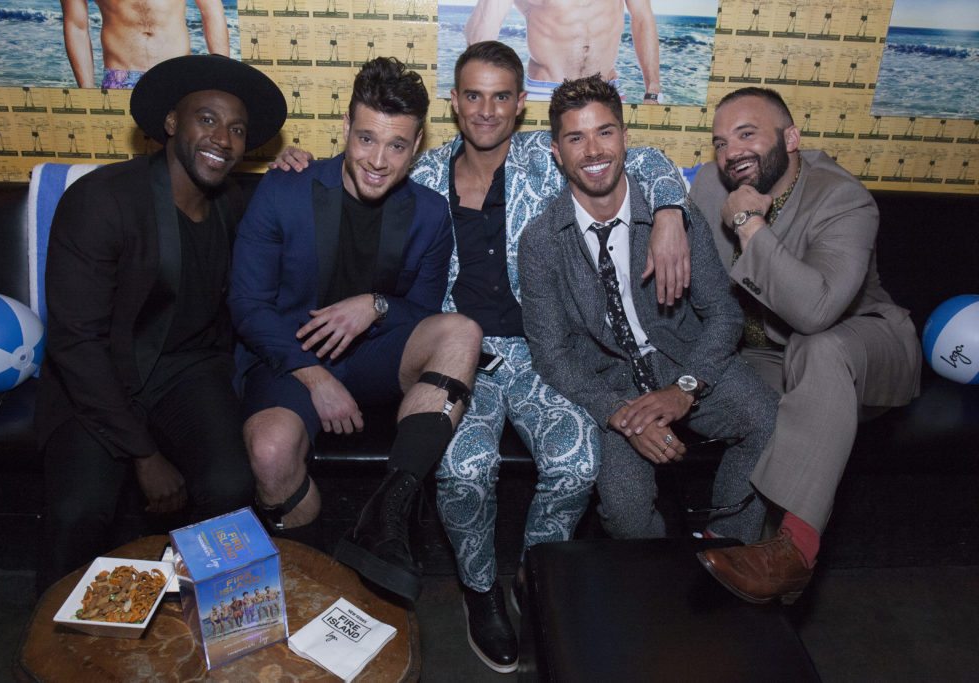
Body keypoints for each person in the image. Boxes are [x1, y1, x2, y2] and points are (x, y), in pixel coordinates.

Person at [272, 41, 689, 673]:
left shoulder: (549, 161)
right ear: (455, 103)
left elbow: (647, 160)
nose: (486, 110)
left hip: (544, 353)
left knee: (578, 459)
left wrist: (669, 214)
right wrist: (293, 165)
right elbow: (355, 173)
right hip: (456, 355)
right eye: (473, 95)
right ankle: (480, 590)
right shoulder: (422, 168)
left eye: (501, 96)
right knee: (462, 472)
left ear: (521, 105)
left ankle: (535, 576)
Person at [229, 56, 482, 604]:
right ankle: (313, 580)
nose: (377, 159)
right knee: (271, 453)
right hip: (290, 356)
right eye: (366, 138)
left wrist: (375, 306)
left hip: (377, 356)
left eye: (396, 146)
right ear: (344, 129)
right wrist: (315, 377)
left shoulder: (430, 213)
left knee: (462, 331)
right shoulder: (285, 190)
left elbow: (422, 310)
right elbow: (248, 305)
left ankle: (384, 516)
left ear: (415, 147)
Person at [36, 54, 287, 591]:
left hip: (188, 373)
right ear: (172, 124)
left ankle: (205, 621)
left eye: (237, 129)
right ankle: (54, 640)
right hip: (99, 377)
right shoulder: (103, 200)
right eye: (207, 119)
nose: (223, 138)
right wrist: (144, 454)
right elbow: (75, 342)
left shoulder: (234, 204)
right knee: (81, 509)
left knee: (229, 484)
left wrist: (298, 168)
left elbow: (298, 216)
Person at [519, 75, 779, 562]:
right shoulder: (539, 242)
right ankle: (665, 576)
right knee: (624, 508)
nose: (593, 150)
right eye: (576, 138)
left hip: (682, 359)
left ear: (624, 137)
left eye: (605, 132)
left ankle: (726, 545)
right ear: (557, 152)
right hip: (611, 383)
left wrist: (685, 386)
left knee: (767, 419)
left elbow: (722, 313)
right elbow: (551, 356)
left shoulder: (670, 213)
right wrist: (620, 414)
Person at [690, 87, 922, 605]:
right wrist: (665, 218)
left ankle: (794, 550)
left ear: (791, 139)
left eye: (748, 134)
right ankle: (726, 547)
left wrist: (750, 224)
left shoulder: (842, 197)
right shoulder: (710, 184)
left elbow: (815, 314)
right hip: (768, 354)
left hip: (863, 346)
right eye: (721, 141)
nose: (732, 152)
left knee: (820, 350)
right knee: (737, 397)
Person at [465, 0, 661, 102]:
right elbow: (480, 41)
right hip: (546, 93)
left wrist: (652, 91)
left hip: (606, 90)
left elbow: (643, 18)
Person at [61, 0, 230, 89]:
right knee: (122, 151)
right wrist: (87, 89)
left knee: (181, 150)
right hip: (121, 78)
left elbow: (211, 10)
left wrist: (221, 77)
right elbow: (77, 26)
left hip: (177, 73)